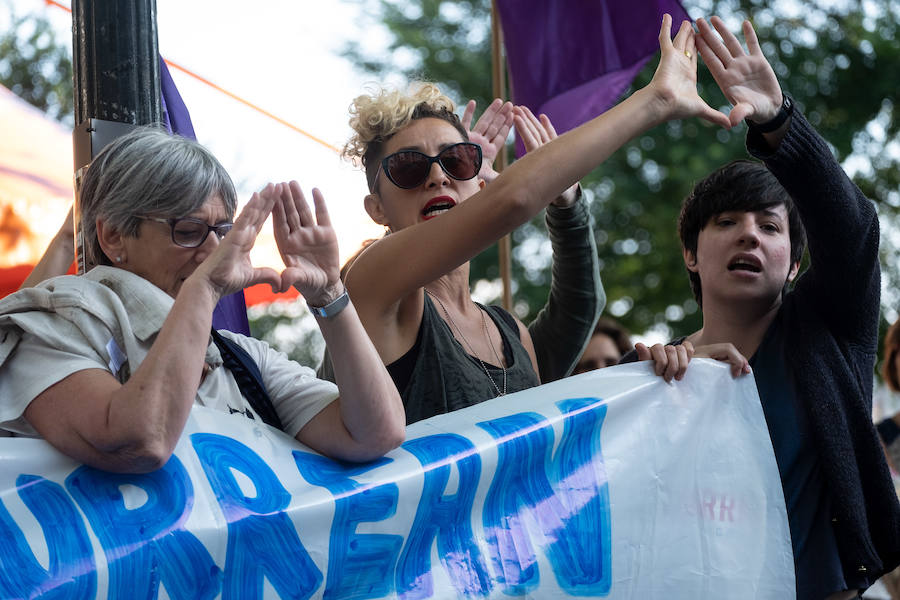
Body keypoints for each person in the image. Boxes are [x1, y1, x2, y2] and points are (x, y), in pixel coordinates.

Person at [325, 14, 731, 424]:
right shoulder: (368, 287)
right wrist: (655, 99)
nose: (437, 175)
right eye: (410, 167)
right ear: (376, 209)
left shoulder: (511, 333)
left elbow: (579, 307)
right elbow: (515, 198)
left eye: (456, 160)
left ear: (480, 185)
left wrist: (566, 200)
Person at [621, 16, 900, 598]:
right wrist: (645, 384)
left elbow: (851, 231)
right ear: (691, 255)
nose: (749, 235)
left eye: (770, 227)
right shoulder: (657, 375)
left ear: (794, 265)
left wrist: (778, 122)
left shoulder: (828, 331)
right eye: (726, 222)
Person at [0, 128, 405, 472]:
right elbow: (142, 440)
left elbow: (377, 433)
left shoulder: (239, 356)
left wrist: (329, 295)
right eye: (189, 230)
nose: (214, 249)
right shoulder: (45, 322)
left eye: (222, 231)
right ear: (113, 237)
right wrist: (203, 288)